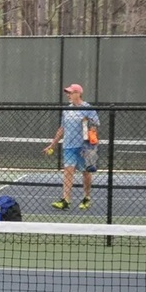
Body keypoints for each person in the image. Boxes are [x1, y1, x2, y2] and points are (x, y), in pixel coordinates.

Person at [43, 83, 100, 211]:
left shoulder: (88, 108)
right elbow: (62, 128)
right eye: (67, 93)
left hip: (84, 146)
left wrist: (92, 144)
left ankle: (86, 198)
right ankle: (66, 200)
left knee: (86, 173)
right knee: (68, 172)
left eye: (70, 92)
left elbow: (95, 125)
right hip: (68, 146)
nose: (68, 95)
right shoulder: (67, 110)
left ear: (78, 93)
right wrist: (53, 144)